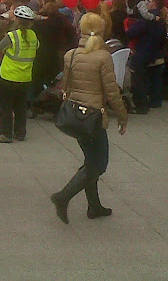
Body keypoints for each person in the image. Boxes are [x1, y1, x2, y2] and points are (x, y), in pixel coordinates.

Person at [50, 13, 128, 224]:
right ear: (102, 31)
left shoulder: (71, 55)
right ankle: (63, 197)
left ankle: (94, 206)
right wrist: (122, 117)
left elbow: (65, 86)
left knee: (90, 161)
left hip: (76, 115)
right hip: (94, 116)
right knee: (98, 164)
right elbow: (112, 92)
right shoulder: (103, 57)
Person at [0, 5, 39, 143]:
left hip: (8, 76)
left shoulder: (12, 36)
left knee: (6, 107)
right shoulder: (33, 35)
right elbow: (37, 47)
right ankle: (20, 132)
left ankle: (6, 134)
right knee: (21, 107)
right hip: (25, 77)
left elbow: (0, 48)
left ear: (17, 20)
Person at [126, 0, 166, 113]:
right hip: (155, 52)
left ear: (154, 4)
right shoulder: (161, 20)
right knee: (154, 78)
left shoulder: (147, 19)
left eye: (149, 1)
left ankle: (141, 105)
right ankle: (155, 101)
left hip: (143, 51)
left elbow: (132, 32)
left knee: (138, 79)